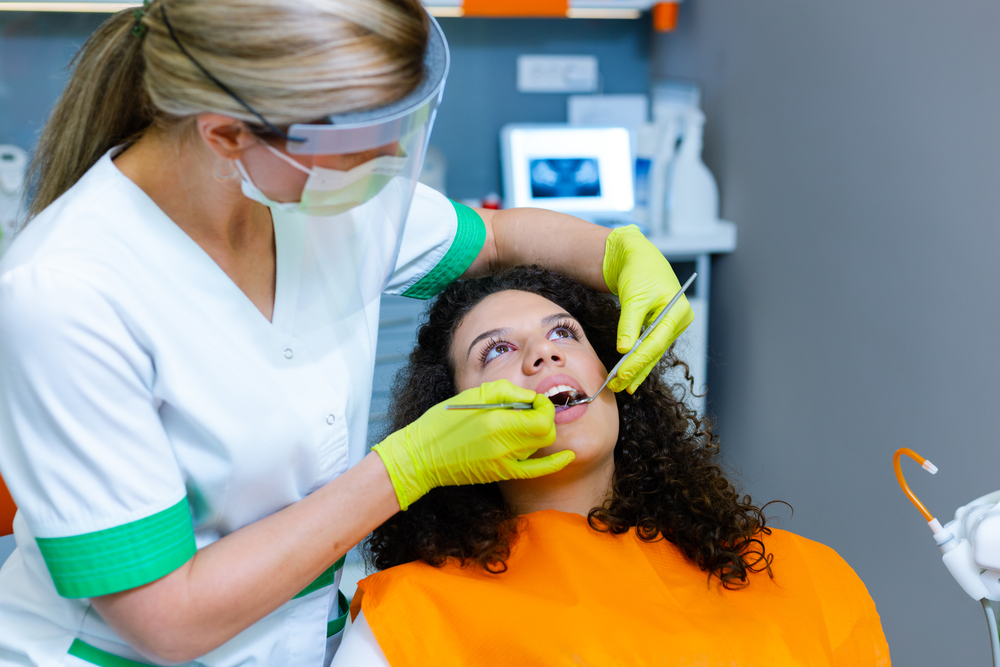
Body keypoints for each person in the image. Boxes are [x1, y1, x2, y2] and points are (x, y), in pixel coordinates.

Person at [0, 2, 695, 666]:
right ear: (225, 134)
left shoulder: (307, 185)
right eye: (357, 140)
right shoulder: (65, 294)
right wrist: (408, 466)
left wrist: (619, 254)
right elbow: (169, 617)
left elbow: (500, 239)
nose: (388, 155)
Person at [334, 266, 891, 666]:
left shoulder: (805, 575)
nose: (543, 354)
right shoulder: (412, 616)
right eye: (495, 351)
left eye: (564, 334)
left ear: (619, 380)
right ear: (449, 419)